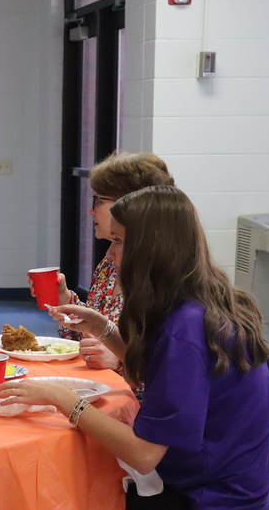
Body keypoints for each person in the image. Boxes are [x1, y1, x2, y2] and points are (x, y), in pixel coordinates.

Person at [0, 186, 269, 510]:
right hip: (237, 507)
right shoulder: (205, 303)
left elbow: (143, 455)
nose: (110, 255)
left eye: (119, 242)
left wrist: (61, 399)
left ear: (152, 251)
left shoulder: (184, 330)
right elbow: (160, 374)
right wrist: (103, 328)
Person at [30, 151, 173, 371]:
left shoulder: (162, 275)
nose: (91, 211)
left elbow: (171, 369)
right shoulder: (109, 263)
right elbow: (92, 334)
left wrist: (119, 362)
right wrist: (65, 300)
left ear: (131, 205)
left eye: (98, 201)